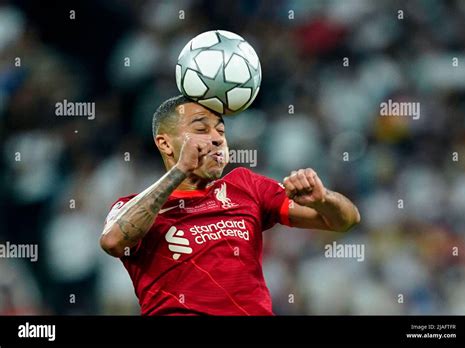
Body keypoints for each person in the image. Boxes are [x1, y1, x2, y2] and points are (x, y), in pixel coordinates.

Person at [100, 95, 360, 315]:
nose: (216, 139)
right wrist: (180, 170)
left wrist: (324, 199)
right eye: (201, 130)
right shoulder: (136, 207)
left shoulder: (245, 185)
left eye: (221, 132)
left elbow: (346, 221)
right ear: (165, 143)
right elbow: (113, 242)